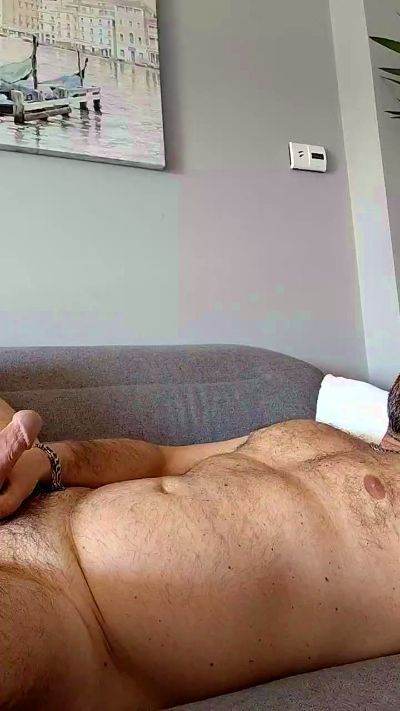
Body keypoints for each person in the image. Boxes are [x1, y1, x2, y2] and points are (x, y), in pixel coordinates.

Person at [0, 375, 399, 711]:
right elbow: (163, 460)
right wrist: (46, 460)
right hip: (27, 508)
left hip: (78, 616)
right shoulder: (313, 432)